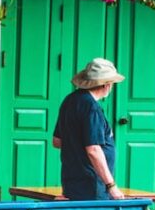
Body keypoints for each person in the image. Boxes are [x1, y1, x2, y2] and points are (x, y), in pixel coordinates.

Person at [52, 58, 125, 200]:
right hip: (92, 186)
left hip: (72, 182)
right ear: (107, 85)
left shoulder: (70, 100)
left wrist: (77, 145)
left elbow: (57, 141)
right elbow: (93, 150)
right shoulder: (92, 107)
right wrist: (111, 186)